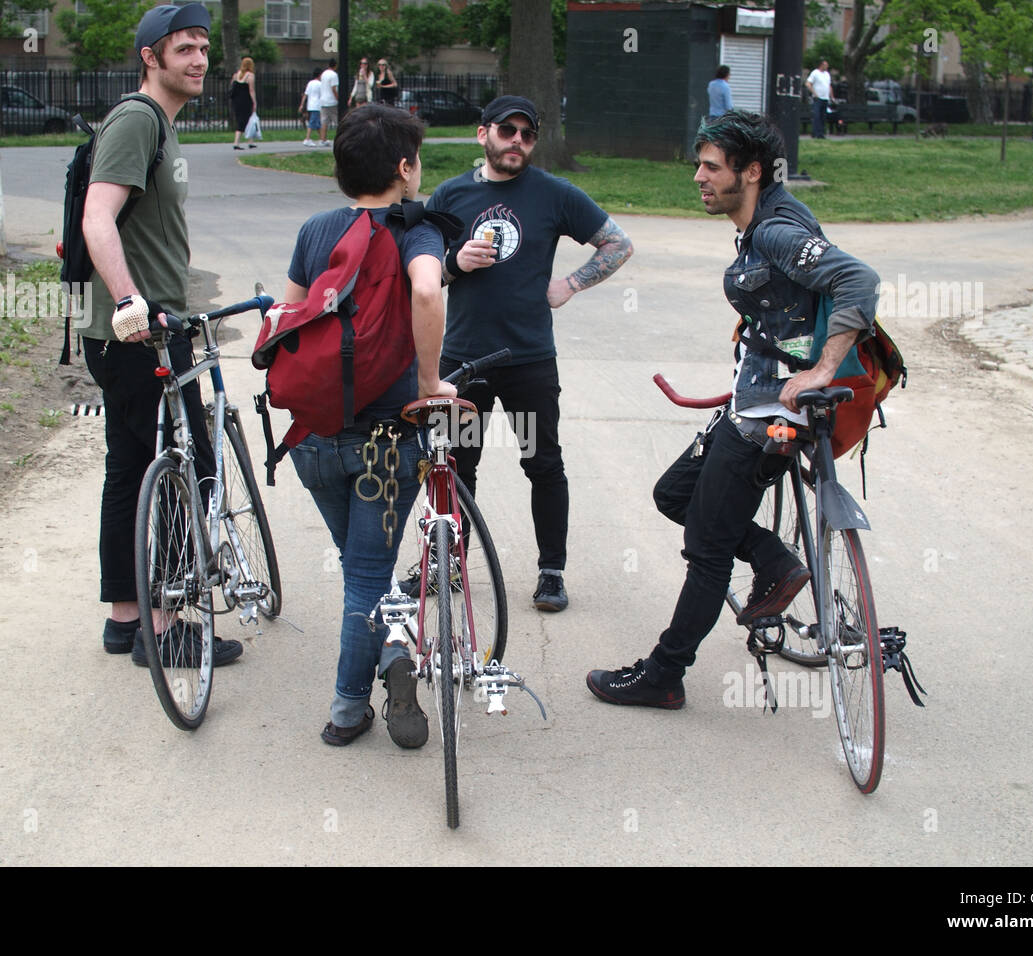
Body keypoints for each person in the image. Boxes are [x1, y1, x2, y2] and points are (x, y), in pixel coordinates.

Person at [587, 110, 879, 708]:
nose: (699, 177)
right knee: (676, 494)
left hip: (772, 414)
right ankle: (774, 559)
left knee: (708, 546)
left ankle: (663, 675)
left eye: (712, 167)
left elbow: (859, 280)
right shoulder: (765, 221)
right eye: (700, 164)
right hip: (754, 402)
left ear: (751, 172)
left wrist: (822, 369)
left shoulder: (775, 232)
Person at [281, 104, 457, 747]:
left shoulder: (315, 230)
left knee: (364, 571)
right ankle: (348, 709)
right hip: (385, 445)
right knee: (366, 578)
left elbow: (290, 315)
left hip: (313, 440)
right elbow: (428, 292)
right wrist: (430, 382)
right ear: (405, 169)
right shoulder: (416, 229)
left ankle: (392, 654)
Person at [425, 95, 634, 613]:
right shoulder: (449, 195)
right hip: (462, 362)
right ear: (483, 134)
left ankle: (551, 573)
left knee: (542, 464)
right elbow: (423, 276)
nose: (517, 141)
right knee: (454, 467)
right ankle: (449, 566)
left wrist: (570, 284)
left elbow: (617, 244)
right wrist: (455, 263)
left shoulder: (553, 193)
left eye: (527, 133)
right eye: (507, 130)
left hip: (528, 360)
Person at [79, 3, 240, 669]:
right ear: (151, 57)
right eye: (184, 49)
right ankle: (165, 626)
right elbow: (97, 218)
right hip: (137, 333)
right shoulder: (138, 120)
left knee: (132, 467)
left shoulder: (162, 127)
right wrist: (130, 302)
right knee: (186, 468)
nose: (199, 60)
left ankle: (126, 618)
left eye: (203, 47)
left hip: (148, 327)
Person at [229, 56, 257, 150]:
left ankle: (250, 141)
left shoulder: (236, 75)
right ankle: (236, 142)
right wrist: (254, 102)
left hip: (236, 101)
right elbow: (251, 90)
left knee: (244, 120)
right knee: (244, 120)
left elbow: (232, 86)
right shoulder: (250, 76)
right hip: (245, 101)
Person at [806, 60, 832, 139]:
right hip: (818, 98)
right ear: (821, 65)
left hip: (825, 98)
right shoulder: (815, 73)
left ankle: (821, 133)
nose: (827, 66)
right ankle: (816, 133)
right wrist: (814, 93)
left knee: (823, 116)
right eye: (825, 65)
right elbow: (808, 83)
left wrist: (831, 96)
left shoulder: (827, 74)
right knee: (817, 116)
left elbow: (829, 85)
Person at [298, 67, 322, 146]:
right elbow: (322, 95)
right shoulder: (320, 84)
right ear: (319, 75)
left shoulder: (310, 83)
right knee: (312, 122)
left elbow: (305, 94)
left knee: (317, 123)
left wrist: (301, 105)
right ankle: (307, 139)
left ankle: (322, 139)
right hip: (316, 106)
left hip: (310, 105)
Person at [319, 58, 340, 146]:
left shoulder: (323, 74)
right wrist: (338, 98)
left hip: (323, 101)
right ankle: (339, 139)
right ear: (335, 65)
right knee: (338, 121)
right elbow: (334, 88)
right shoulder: (334, 75)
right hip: (332, 101)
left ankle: (323, 140)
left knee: (324, 122)